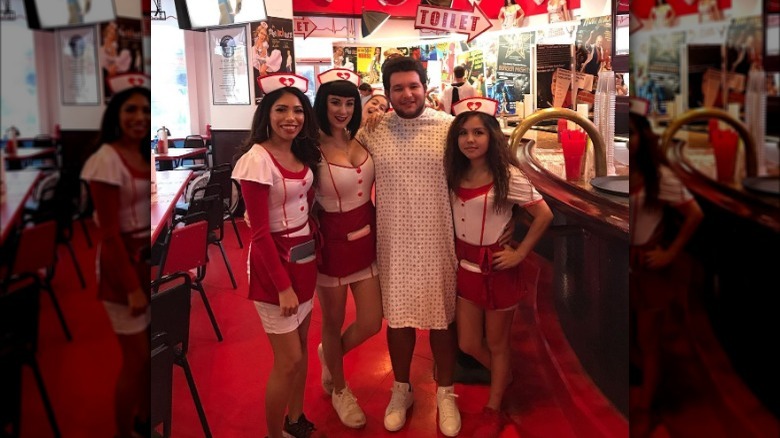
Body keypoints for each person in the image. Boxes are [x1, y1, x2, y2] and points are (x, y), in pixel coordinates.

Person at [356, 56, 461, 436]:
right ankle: (402, 389)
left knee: (443, 319)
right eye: (398, 88)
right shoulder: (372, 130)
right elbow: (341, 157)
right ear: (387, 92)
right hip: (393, 240)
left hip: (439, 239)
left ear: (425, 86)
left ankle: (446, 392)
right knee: (397, 320)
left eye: (413, 86)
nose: (407, 94)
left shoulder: (450, 128)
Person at [445, 98, 553, 437]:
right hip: (464, 267)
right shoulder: (454, 172)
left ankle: (494, 405)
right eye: (463, 133)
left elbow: (544, 214)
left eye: (478, 132)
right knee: (466, 343)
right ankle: (504, 376)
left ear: (492, 135)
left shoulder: (508, 176)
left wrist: (520, 252)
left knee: (498, 343)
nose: (470, 140)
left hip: (498, 268)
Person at [231, 74, 321, 438]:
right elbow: (259, 233)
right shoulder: (257, 160)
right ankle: (273, 434)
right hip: (275, 266)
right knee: (289, 361)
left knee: (300, 348)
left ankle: (295, 419)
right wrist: (283, 287)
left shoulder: (300, 151)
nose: (291, 117)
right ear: (266, 113)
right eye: (281, 109)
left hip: (306, 259)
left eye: (298, 110)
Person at [311, 69, 384, 429]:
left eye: (349, 102)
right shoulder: (309, 147)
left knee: (372, 321)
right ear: (322, 105)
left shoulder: (364, 136)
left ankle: (331, 353)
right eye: (334, 102)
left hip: (368, 237)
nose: (342, 109)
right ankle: (340, 388)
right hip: (333, 243)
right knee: (334, 320)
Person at [628, 98, 703, 438]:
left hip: (648, 267)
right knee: (632, 334)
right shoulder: (619, 171)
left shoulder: (659, 177)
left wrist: (670, 253)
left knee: (649, 340)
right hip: (625, 264)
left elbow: (694, 214)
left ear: (642, 136)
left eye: (632, 134)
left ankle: (645, 407)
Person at [80, 85, 151, 438]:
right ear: (117, 115)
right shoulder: (106, 159)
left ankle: (143, 416)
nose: (139, 117)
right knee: (136, 360)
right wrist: (133, 288)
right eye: (131, 110)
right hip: (121, 266)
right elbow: (108, 235)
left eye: (145, 110)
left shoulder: (141, 153)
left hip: (145, 260)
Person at [100, 21, 133, 98]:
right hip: (105, 82)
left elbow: (123, 65)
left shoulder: (121, 50)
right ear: (106, 33)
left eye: (114, 31)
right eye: (109, 31)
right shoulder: (101, 50)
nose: (112, 33)